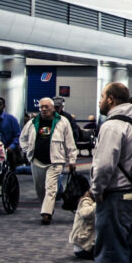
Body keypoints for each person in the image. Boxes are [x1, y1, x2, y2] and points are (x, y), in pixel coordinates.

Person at [90, 82, 132, 263]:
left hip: (115, 197)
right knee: (128, 248)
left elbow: (104, 165)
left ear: (111, 99)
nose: (100, 101)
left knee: (111, 252)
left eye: (102, 96)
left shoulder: (113, 126)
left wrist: (97, 190)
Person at [20, 96, 78, 224]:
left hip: (55, 161)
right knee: (40, 188)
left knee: (51, 187)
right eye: (42, 107)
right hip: (37, 161)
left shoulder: (63, 122)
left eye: (47, 107)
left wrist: (72, 159)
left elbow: (70, 142)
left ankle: (46, 214)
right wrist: (27, 151)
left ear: (53, 108)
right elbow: (22, 138)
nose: (44, 109)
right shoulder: (32, 122)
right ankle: (46, 208)